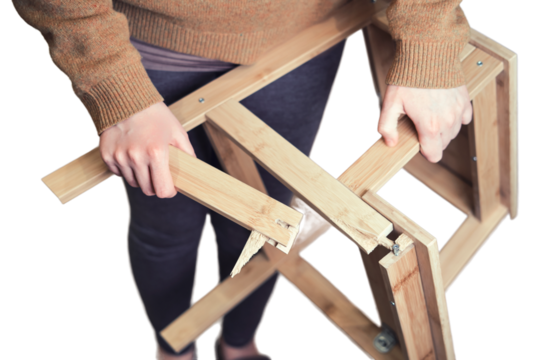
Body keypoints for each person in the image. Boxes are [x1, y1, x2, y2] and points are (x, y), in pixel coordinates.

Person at [11, 1, 472, 359]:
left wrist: (431, 39)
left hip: (304, 38)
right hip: (149, 46)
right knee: (166, 228)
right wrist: (114, 81)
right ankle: (175, 346)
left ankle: (237, 342)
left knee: (264, 224)